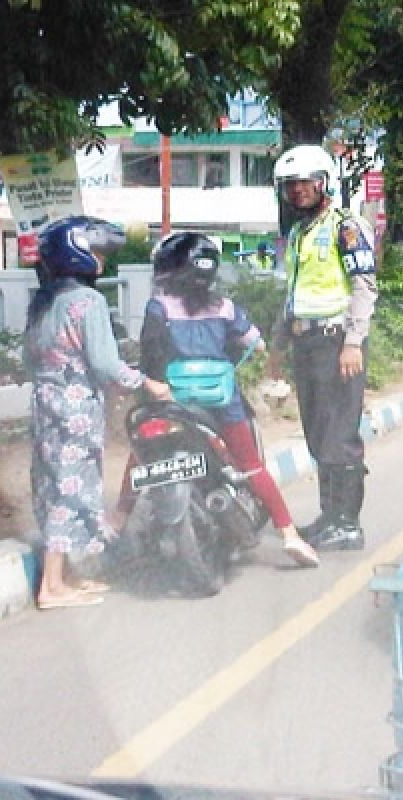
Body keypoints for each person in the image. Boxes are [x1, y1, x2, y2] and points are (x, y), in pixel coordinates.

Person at [113, 232, 319, 568]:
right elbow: (257, 343)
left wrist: (155, 384)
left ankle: (118, 519)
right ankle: (290, 535)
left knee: (141, 455)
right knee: (252, 466)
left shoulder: (158, 306)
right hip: (222, 403)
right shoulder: (225, 308)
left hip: (170, 401)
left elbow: (150, 351)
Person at [26, 215, 171, 609]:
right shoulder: (88, 302)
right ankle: (51, 588)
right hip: (76, 407)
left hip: (46, 404)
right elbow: (106, 364)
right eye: (98, 252)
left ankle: (67, 577)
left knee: (53, 484)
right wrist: (147, 383)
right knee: (68, 489)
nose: (103, 261)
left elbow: (30, 358)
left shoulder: (43, 303)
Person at [269, 144, 378, 551]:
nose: (297, 192)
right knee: (317, 435)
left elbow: (364, 287)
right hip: (306, 343)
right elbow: (294, 292)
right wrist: (277, 346)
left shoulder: (344, 226)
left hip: (337, 344)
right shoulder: (298, 234)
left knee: (339, 436)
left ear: (324, 183)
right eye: (290, 187)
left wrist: (354, 342)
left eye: (304, 184)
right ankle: (329, 516)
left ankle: (348, 523)